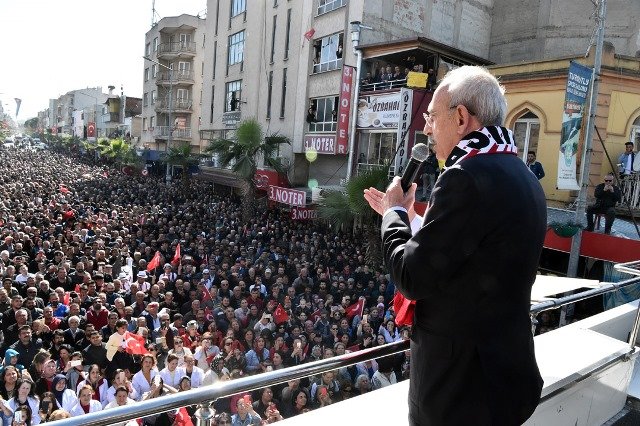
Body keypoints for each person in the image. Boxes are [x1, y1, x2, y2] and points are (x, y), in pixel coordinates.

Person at [364, 65, 546, 425]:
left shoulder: (465, 176)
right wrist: (415, 217)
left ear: (461, 117)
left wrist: (394, 212)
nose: (428, 128)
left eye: (432, 116)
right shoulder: (522, 174)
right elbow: (467, 255)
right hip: (505, 380)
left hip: (460, 394)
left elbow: (411, 276)